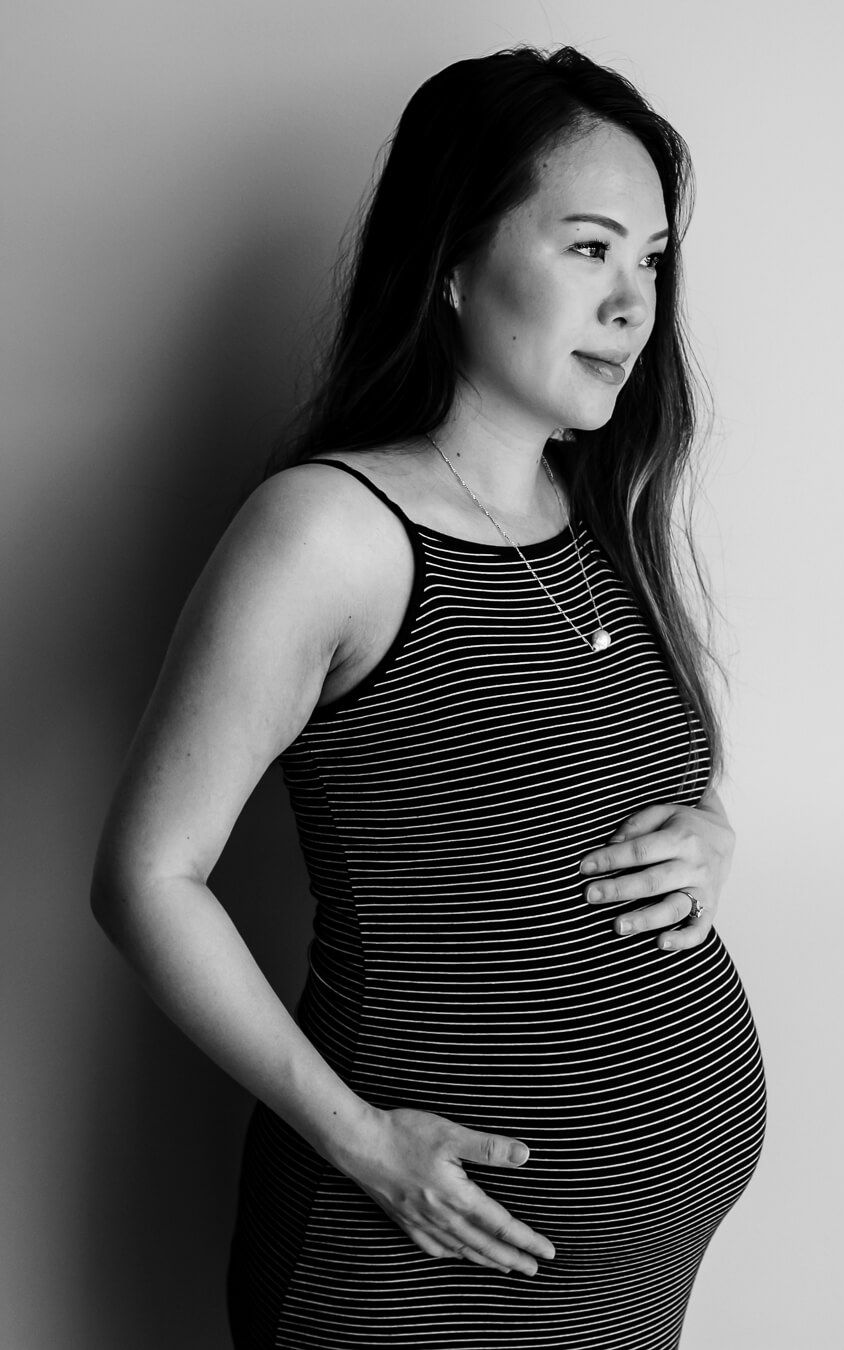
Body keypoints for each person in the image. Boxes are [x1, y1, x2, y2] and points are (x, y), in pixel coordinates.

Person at [91, 45, 767, 1350]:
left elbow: (587, 776)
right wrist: (364, 1142)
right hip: (406, 1268)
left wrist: (709, 830)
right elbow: (145, 874)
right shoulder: (329, 533)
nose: (634, 300)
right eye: (587, 248)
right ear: (454, 261)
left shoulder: (602, 517)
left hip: (621, 1283)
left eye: (653, 257)